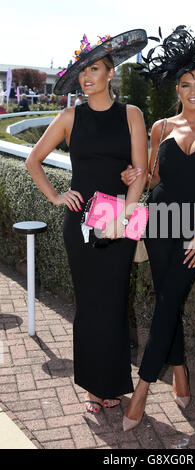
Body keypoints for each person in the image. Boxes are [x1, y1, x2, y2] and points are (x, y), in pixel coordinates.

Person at [25, 29, 148, 414]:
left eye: (95, 68)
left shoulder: (132, 115)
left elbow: (141, 172)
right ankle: (93, 387)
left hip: (118, 224)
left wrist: (125, 214)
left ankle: (111, 382)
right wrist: (57, 196)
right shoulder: (68, 117)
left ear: (111, 73)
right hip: (79, 226)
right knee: (89, 304)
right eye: (83, 71)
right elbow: (33, 161)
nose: (87, 76)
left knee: (113, 303)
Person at [121, 26, 195, 431]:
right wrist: (133, 175)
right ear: (177, 88)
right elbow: (151, 181)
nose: (192, 91)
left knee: (169, 300)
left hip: (193, 228)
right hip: (159, 221)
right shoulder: (161, 128)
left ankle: (143, 388)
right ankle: (180, 371)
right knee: (168, 300)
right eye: (185, 84)